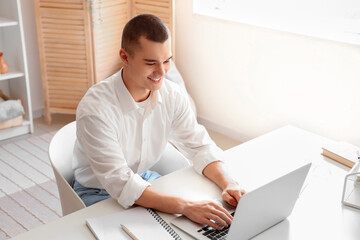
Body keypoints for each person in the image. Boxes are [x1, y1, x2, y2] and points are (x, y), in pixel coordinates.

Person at [72, 14, 245, 230]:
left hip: (143, 177)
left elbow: (199, 146)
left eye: (167, 60)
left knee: (197, 222)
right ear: (125, 57)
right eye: (151, 63)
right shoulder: (96, 109)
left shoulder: (172, 95)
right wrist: (186, 206)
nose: (161, 72)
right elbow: (120, 182)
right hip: (98, 192)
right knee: (169, 226)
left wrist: (229, 183)